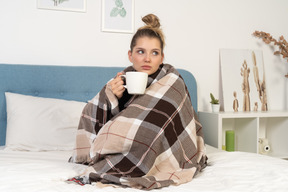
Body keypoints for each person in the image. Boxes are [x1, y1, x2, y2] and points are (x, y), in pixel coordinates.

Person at [69, 14, 207, 190]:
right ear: (130, 55)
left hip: (162, 148)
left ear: (162, 57)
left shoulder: (173, 81)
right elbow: (93, 114)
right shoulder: (119, 80)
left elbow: (161, 123)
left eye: (154, 53)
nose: (147, 59)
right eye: (140, 52)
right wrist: (111, 96)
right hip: (126, 147)